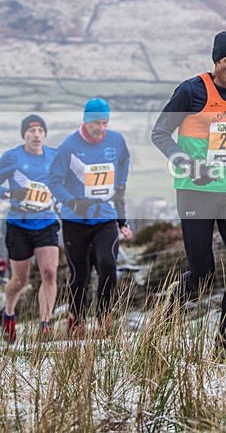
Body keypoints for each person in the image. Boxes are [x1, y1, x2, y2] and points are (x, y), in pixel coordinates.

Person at [151, 30, 226, 356]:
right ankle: (161, 322)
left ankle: (223, 339)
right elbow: (160, 133)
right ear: (216, 61)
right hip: (194, 192)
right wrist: (189, 165)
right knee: (203, 274)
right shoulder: (191, 91)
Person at [49, 99, 133, 337]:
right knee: (80, 274)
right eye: (97, 122)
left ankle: (103, 316)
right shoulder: (69, 146)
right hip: (75, 220)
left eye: (105, 122)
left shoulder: (116, 140)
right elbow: (54, 181)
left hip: (105, 217)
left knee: (108, 264)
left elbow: (124, 161)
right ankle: (76, 319)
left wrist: (121, 186)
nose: (101, 128)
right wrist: (73, 201)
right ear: (85, 120)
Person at [0, 115, 60, 343]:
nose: (36, 135)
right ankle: (9, 315)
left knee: (49, 273)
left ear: (44, 134)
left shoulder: (54, 156)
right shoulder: (12, 157)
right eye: (31, 130)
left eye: (40, 131)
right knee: (19, 282)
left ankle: (45, 324)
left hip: (46, 223)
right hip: (19, 225)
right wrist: (8, 193)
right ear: (24, 134)